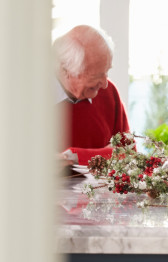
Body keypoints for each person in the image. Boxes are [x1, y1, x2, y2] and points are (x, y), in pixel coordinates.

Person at [54, 25, 130, 165]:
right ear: (66, 70)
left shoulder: (109, 93)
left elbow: (128, 155)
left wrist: (74, 156)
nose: (105, 84)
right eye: (97, 75)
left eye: (106, 71)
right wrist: (106, 154)